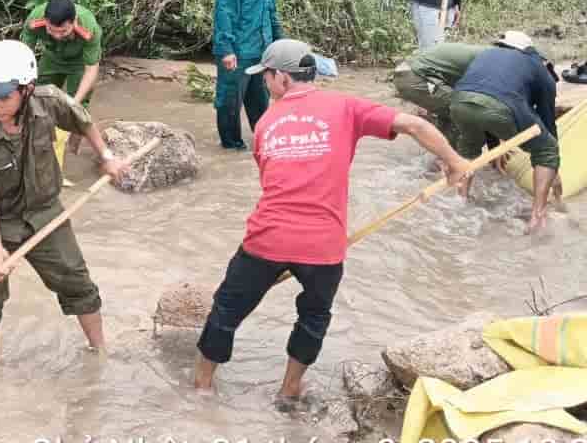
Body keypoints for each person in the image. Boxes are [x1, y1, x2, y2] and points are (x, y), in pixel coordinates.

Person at [193, 39, 470, 405]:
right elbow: (414, 125)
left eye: (266, 77)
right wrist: (456, 162)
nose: (264, 84)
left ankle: (200, 390)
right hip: (323, 245)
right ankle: (289, 391)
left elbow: (274, 182)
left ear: (282, 79)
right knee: (313, 318)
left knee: (227, 309)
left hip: (267, 237)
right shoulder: (346, 106)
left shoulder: (265, 123)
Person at [0, 40, 128, 366]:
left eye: (3, 96)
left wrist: (107, 157)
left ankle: (100, 353)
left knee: (78, 282)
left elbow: (83, 121)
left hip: (45, 211)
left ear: (27, 89)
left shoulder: (49, 102)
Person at [449, 30, 561, 234]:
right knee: (547, 149)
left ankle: (458, 202)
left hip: (458, 102)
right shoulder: (536, 65)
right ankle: (538, 215)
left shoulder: (485, 54)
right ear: (530, 50)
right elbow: (546, 121)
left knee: (468, 149)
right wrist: (553, 165)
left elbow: (483, 92)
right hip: (500, 105)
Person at [211, 0, 290, 151]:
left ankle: (265, 147)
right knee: (230, 103)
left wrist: (281, 44)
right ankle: (231, 148)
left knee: (260, 103)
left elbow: (270, 12)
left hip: (262, 50)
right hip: (238, 51)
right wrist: (226, 50)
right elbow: (224, 13)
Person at [19, 0, 103, 156]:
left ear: (74, 21)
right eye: (51, 30)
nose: (57, 35)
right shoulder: (36, 18)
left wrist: (73, 103)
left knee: (78, 107)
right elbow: (24, 51)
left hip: (78, 63)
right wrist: (25, 78)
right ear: (46, 20)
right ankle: (39, 139)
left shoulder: (88, 27)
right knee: (38, 95)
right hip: (52, 57)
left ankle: (72, 148)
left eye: (63, 31)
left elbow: (91, 69)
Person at [392, 42, 489, 144]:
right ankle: (460, 156)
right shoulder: (493, 63)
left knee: (449, 114)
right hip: (416, 77)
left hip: (406, 73)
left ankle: (445, 153)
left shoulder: (487, 55)